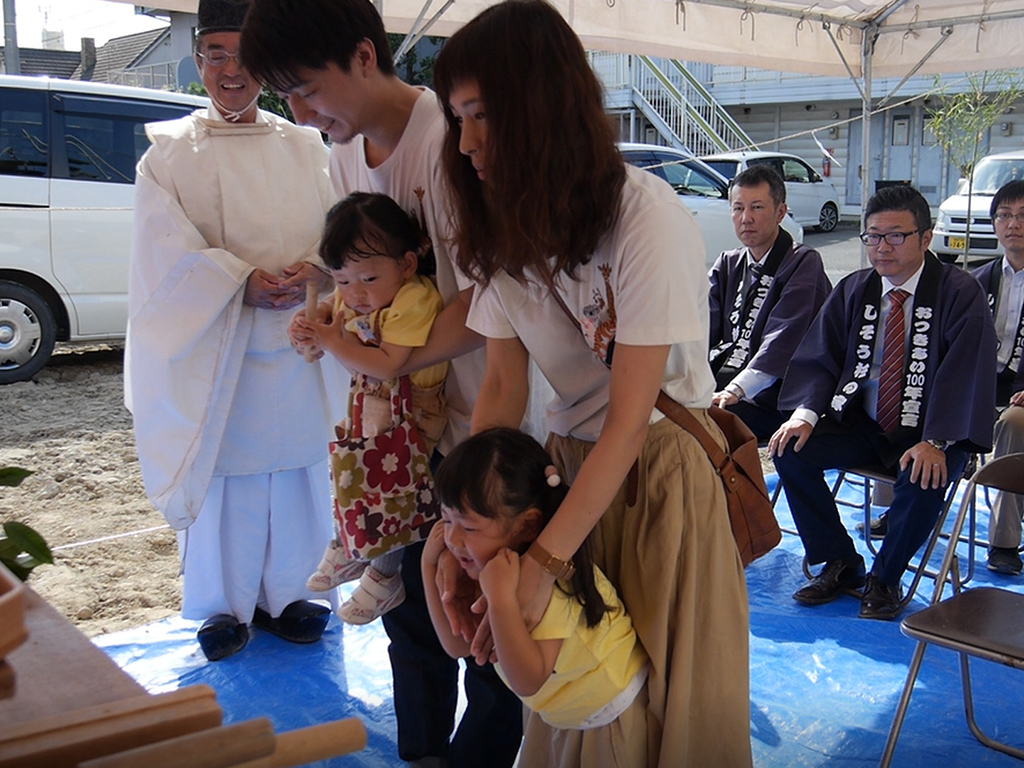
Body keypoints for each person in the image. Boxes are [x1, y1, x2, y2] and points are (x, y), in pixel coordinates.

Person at [433, 2, 752, 765]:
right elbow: (504, 387)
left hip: (657, 476)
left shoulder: (645, 217)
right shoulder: (501, 225)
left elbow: (630, 416)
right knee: (579, 696)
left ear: (541, 106)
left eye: (482, 115)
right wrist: (460, 520)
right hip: (565, 471)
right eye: (457, 120)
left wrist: (541, 563)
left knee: (671, 699)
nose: (468, 142)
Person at [240, 3, 524, 766]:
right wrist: (333, 313)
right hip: (396, 425)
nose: (298, 112)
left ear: (364, 56)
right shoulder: (344, 155)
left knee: (485, 601)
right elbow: (354, 271)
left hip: (476, 412)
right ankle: (425, 751)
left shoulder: (450, 143)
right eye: (284, 96)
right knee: (407, 598)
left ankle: (480, 753)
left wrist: (394, 358)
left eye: (304, 90)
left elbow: (495, 297)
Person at [125, 0, 339, 662]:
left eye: (243, 55)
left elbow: (342, 226)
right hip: (219, 347)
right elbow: (161, 253)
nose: (230, 70)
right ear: (199, 63)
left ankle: (297, 593)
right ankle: (223, 607)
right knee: (226, 475)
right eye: (216, 54)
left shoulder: (307, 145)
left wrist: (320, 268)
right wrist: (234, 282)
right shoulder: (168, 156)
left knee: (299, 467)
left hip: (300, 336)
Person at [768, 183, 996, 621]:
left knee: (924, 474)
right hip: (864, 422)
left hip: (931, 431)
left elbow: (966, 370)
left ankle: (885, 578)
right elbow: (820, 355)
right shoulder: (856, 288)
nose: (881, 247)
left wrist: (938, 440)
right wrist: (804, 414)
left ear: (925, 238)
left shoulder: (959, 291)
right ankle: (839, 560)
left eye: (895, 235)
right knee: (790, 449)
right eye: (872, 236)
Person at [422, 428, 649, 768]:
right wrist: (428, 566)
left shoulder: (549, 585)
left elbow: (527, 679)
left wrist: (501, 601)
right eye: (446, 519)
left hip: (609, 710)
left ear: (528, 525)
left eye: (468, 527)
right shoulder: (491, 566)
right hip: (565, 711)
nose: (452, 539)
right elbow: (458, 646)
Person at [292, 191, 448, 624]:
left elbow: (388, 363)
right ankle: (352, 540)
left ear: (407, 265)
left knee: (389, 483)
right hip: (373, 404)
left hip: (412, 410)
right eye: (341, 280)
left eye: (367, 279)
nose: (355, 294)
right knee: (351, 465)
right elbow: (336, 311)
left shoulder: (414, 300)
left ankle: (385, 574)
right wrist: (313, 323)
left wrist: (332, 340)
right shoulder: (358, 294)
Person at [708, 164, 832, 440]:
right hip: (722, 382)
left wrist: (734, 390)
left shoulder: (802, 262)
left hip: (773, 397)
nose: (746, 218)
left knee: (702, 425)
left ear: (780, 212)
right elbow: (700, 327)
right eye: (738, 208)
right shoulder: (728, 263)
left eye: (757, 208)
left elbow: (784, 338)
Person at [971, 180, 1024, 575]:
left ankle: (1004, 539)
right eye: (1004, 216)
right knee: (914, 393)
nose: (1014, 225)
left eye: (1023, 216)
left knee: (1014, 424)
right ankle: (900, 507)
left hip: (1019, 396)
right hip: (977, 385)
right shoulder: (977, 280)